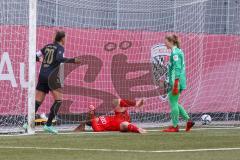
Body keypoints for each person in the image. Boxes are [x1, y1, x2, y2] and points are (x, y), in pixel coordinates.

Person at [35, 31, 80, 134]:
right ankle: (48, 125)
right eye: (65, 38)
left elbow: (35, 56)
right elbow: (59, 59)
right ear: (62, 39)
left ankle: (27, 123)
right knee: (58, 100)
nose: (66, 40)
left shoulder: (47, 46)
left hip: (42, 75)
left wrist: (40, 59)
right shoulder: (60, 48)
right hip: (52, 77)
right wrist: (73, 60)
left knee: (38, 101)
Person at [162, 34, 194, 132]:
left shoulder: (175, 52)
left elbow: (177, 68)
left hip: (177, 80)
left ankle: (175, 126)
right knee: (174, 101)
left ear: (171, 42)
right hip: (179, 80)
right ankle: (188, 120)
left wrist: (176, 82)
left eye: (166, 42)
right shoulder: (177, 51)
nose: (165, 44)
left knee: (173, 102)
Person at [74, 99, 147, 134]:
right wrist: (92, 111)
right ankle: (138, 129)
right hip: (118, 124)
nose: (94, 118)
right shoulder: (97, 126)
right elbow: (93, 122)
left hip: (119, 116)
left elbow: (91, 118)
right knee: (124, 124)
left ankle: (136, 104)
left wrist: (92, 112)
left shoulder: (98, 118)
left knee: (116, 101)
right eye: (91, 119)